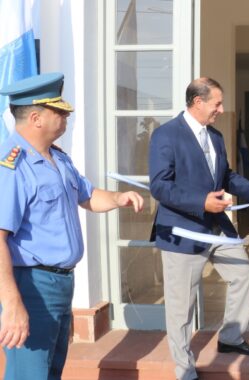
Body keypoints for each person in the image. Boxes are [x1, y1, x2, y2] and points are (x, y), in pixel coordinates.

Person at [0, 72, 144, 380]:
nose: (66, 116)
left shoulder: (58, 159)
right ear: (36, 117)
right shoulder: (12, 165)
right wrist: (12, 303)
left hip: (61, 283)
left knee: (51, 370)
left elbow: (88, 195)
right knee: (29, 374)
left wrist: (119, 197)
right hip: (32, 286)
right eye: (59, 111)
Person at [148, 77, 249, 380]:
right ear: (198, 102)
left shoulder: (216, 136)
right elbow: (159, 186)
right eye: (217, 103)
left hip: (216, 228)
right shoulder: (166, 136)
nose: (221, 109)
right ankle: (185, 371)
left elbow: (227, 177)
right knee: (182, 307)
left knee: (243, 274)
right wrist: (200, 202)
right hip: (182, 231)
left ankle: (230, 338)